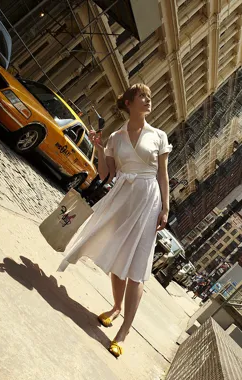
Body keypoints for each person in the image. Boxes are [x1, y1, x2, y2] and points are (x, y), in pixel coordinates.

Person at [57, 83, 172, 358]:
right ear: (129, 103)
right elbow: (106, 174)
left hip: (147, 200)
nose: (148, 100)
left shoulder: (158, 135)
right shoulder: (116, 138)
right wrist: (98, 147)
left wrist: (166, 208)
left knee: (137, 264)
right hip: (122, 198)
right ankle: (116, 307)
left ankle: (124, 331)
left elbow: (163, 175)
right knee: (119, 256)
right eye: (142, 96)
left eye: (149, 96)